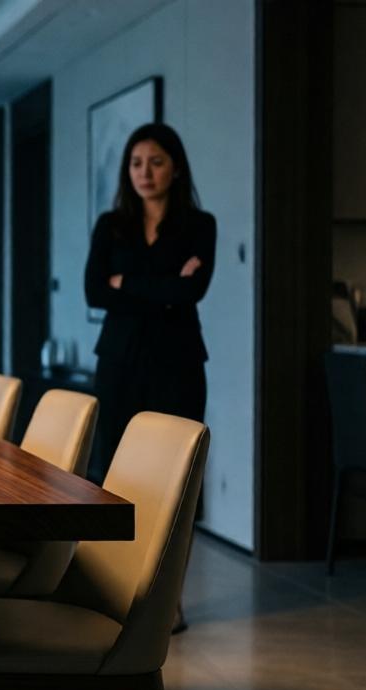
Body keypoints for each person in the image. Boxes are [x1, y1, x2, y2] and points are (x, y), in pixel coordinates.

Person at [85, 123, 215, 476]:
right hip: (119, 360)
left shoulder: (200, 226)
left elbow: (192, 291)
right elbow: (94, 292)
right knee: (116, 468)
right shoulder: (110, 225)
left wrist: (124, 282)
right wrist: (167, 289)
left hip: (178, 362)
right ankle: (117, 536)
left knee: (173, 472)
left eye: (156, 162)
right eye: (136, 163)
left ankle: (169, 536)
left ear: (176, 168)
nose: (145, 172)